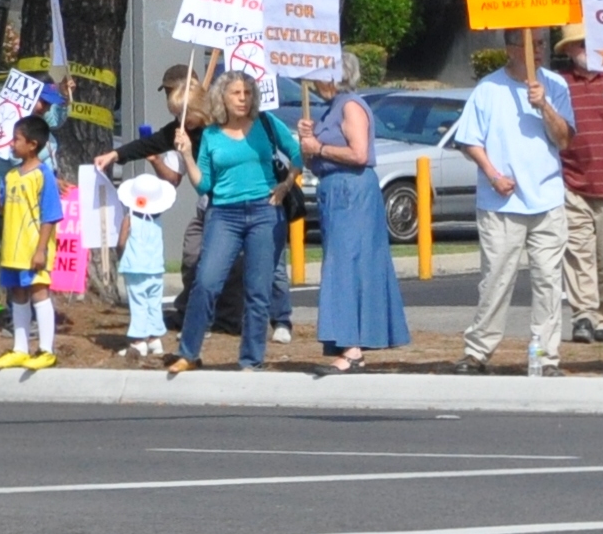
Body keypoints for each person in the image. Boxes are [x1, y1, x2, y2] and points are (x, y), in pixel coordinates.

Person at [450, 44, 575, 375]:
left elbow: (564, 139)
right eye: (529, 44)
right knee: (496, 279)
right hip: (501, 204)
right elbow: (469, 141)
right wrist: (493, 175)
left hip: (547, 200)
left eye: (541, 43)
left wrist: (544, 105)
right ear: (511, 49)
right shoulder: (488, 88)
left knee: (548, 282)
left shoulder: (555, 85)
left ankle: (545, 357)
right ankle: (478, 351)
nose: (538, 50)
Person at [173, 75, 304, 374]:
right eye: (236, 93)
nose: (243, 98)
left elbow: (297, 155)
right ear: (222, 97)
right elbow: (203, 185)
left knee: (258, 290)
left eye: (247, 92)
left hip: (265, 212)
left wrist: (286, 185)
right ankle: (188, 353)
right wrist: (187, 155)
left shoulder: (267, 123)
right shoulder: (211, 134)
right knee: (206, 282)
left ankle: (251, 360)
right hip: (223, 214)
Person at [299, 80, 408, 371]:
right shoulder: (331, 108)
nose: (315, 82)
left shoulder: (350, 105)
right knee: (341, 266)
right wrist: (307, 142)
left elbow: (359, 154)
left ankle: (352, 349)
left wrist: (319, 147)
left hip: (351, 191)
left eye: (321, 76)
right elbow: (312, 161)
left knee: (346, 267)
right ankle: (349, 344)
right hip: (333, 189)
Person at [549, 31, 603, 347]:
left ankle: (601, 318)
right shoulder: (559, 84)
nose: (586, 49)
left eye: (591, 43)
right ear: (569, 50)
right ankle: (583, 318)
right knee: (579, 256)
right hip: (573, 185)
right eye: (579, 44)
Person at [0, 113, 64, 371]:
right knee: (17, 295)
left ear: (32, 145)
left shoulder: (43, 175)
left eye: (16, 139)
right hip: (12, 251)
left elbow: (50, 215)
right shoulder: (11, 175)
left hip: (32, 250)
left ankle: (46, 350)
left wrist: (41, 250)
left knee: (38, 293)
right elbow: (1, 205)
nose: (11, 143)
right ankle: (20, 348)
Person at [115, 166, 177, 358]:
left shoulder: (129, 218)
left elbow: (121, 242)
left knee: (138, 303)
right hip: (156, 267)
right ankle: (154, 339)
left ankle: (139, 340)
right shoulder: (157, 220)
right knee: (153, 303)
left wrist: (121, 255)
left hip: (135, 267)